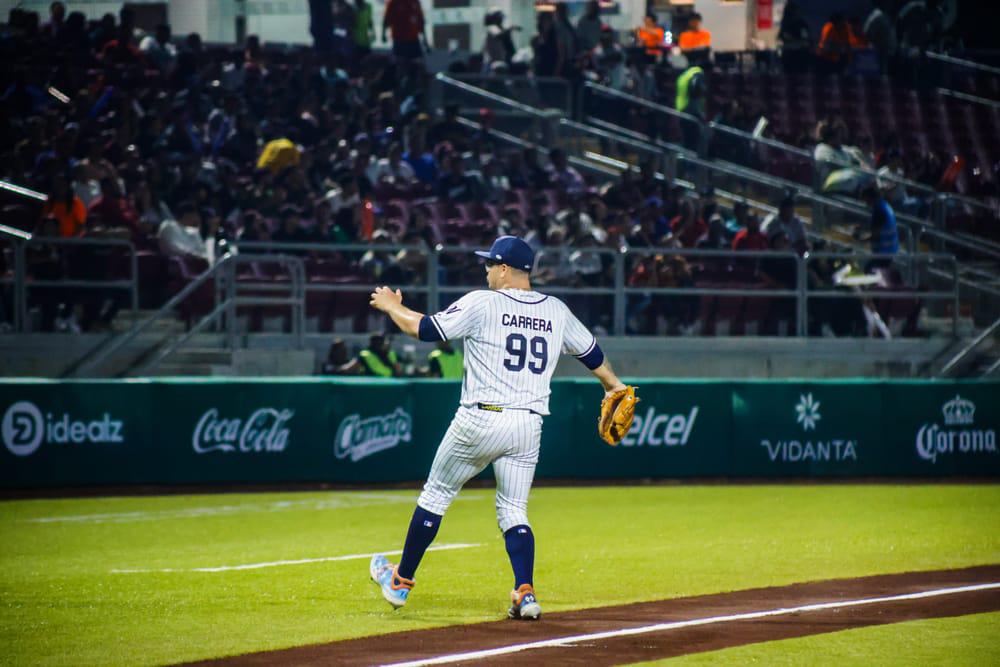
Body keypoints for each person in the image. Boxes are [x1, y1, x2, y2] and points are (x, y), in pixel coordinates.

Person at [367, 235, 628, 619]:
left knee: (436, 495)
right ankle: (525, 592)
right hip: (527, 425)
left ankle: (400, 581)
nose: (486, 270)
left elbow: (424, 330)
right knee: (513, 510)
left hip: (480, 418)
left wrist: (393, 306)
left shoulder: (483, 302)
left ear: (505, 269)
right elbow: (591, 353)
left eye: (490, 264)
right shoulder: (556, 310)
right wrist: (614, 385)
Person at [862, 185, 899, 266]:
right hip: (889, 249)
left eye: (865, 200)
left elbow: (877, 232)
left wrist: (863, 240)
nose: (866, 203)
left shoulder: (879, 209)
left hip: (883, 251)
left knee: (870, 269)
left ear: (869, 198)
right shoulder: (884, 205)